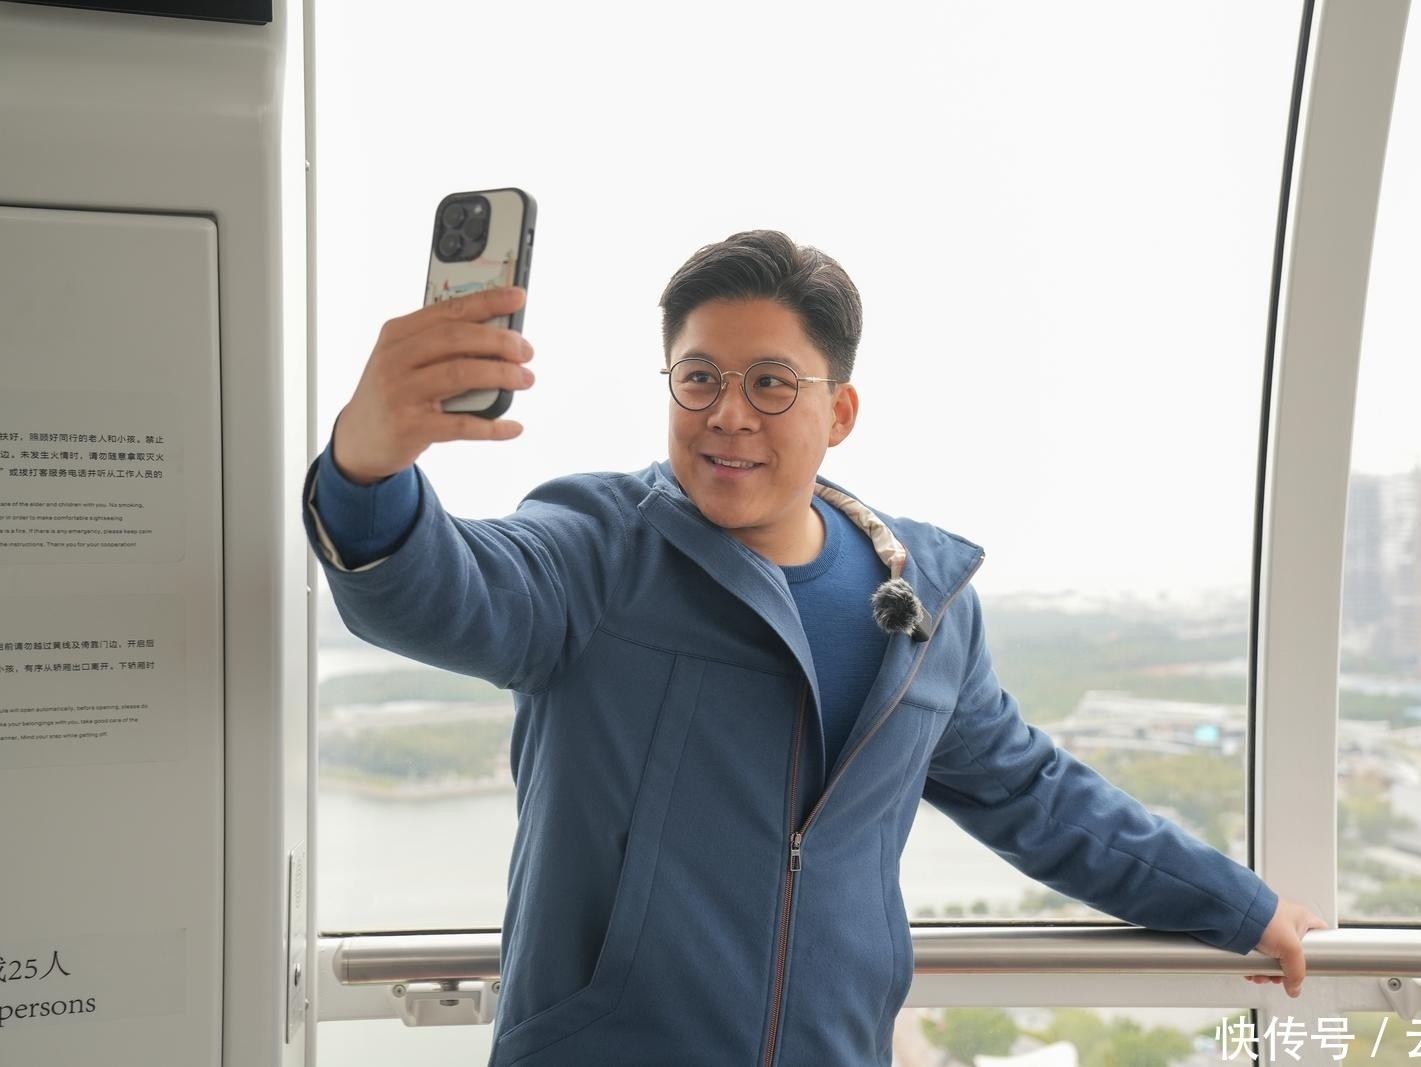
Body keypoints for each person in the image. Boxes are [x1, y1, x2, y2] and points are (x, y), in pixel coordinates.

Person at [304, 230, 1324, 1067]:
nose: (727, 414)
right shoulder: (598, 551)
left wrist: (1239, 904)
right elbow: (437, 592)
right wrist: (369, 462)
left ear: (839, 411)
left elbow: (1035, 795)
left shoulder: (921, 605)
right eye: (698, 378)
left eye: (770, 383)